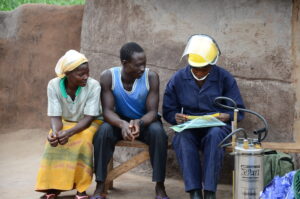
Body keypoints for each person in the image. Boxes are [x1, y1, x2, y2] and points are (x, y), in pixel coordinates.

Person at [162, 34, 245, 199]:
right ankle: (194, 192)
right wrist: (175, 117)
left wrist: (226, 116)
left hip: (216, 126)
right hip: (189, 125)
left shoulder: (224, 78)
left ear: (212, 65)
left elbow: (239, 110)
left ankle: (209, 192)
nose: (199, 72)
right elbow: (168, 109)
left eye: (204, 68)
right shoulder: (178, 78)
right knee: (182, 137)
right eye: (195, 68)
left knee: (215, 136)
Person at [91, 42, 169, 199]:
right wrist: (122, 124)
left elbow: (153, 111)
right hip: (118, 121)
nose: (142, 68)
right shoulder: (108, 76)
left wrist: (139, 123)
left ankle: (160, 186)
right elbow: (107, 111)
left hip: (145, 121)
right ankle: (100, 185)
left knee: (158, 133)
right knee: (103, 132)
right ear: (124, 63)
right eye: (138, 65)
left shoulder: (151, 76)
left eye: (144, 64)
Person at [35, 50, 102, 199]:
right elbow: (55, 116)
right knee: (52, 143)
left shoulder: (93, 86)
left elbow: (89, 117)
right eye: (81, 74)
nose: (86, 77)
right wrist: (56, 133)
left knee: (83, 140)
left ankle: (81, 188)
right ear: (67, 74)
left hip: (91, 121)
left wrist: (69, 133)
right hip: (66, 121)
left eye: (87, 73)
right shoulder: (53, 85)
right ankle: (52, 187)